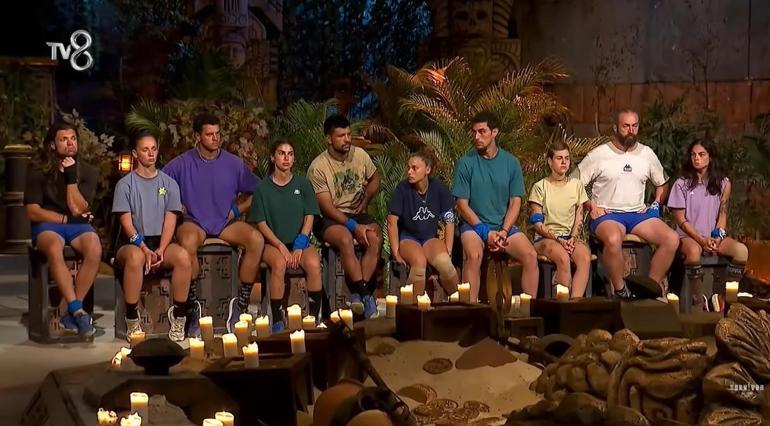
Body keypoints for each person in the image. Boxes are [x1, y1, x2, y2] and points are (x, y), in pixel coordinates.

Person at [163, 112, 264, 333]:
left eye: (218, 133)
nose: (215, 138)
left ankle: (240, 304)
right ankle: (193, 308)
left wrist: (237, 210)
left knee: (256, 239)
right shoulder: (181, 163)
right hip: (194, 222)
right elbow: (159, 187)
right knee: (188, 242)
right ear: (197, 136)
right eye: (210, 134)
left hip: (225, 223)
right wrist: (174, 203)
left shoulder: (234, 163)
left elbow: (260, 190)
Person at [572, 108, 679, 298]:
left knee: (671, 239)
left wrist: (656, 203)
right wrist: (590, 205)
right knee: (614, 239)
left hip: (637, 214)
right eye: (626, 126)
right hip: (607, 214)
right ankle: (622, 290)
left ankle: (649, 289)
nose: (631, 130)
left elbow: (662, 183)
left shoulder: (646, 154)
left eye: (634, 126)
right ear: (615, 128)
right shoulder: (599, 154)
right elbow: (573, 182)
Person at [112, 131, 191, 341]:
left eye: (154, 149)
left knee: (183, 257)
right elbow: (126, 225)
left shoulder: (169, 184)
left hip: (160, 241)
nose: (150, 154)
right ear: (135, 153)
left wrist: (161, 249)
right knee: (136, 258)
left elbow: (170, 220)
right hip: (132, 242)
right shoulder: (125, 185)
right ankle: (132, 318)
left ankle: (179, 316)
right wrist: (144, 248)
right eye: (145, 150)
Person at [24, 122, 101, 338]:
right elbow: (33, 212)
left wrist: (70, 178)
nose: (70, 143)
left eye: (73, 139)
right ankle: (77, 310)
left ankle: (72, 312)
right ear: (52, 145)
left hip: (76, 224)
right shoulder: (38, 170)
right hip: (48, 223)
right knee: (53, 246)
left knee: (94, 247)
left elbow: (80, 209)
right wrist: (65, 219)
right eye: (63, 139)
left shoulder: (88, 171)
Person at [453, 111, 539, 302]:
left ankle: (529, 308)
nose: (477, 137)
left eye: (482, 131)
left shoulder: (511, 163)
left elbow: (515, 202)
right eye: (474, 132)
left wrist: (504, 231)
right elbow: (462, 205)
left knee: (530, 255)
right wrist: (485, 232)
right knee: (474, 255)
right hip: (474, 226)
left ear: (494, 132)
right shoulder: (466, 163)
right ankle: (471, 308)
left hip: (502, 227)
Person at [308, 114, 381, 318]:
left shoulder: (360, 155)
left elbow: (375, 178)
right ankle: (366, 295)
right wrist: (353, 226)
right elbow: (326, 207)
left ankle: (357, 292)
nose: (347, 139)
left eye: (349, 134)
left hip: (357, 212)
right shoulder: (318, 167)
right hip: (329, 217)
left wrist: (365, 200)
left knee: (374, 238)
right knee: (345, 238)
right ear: (329, 139)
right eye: (341, 136)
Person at [249, 141, 322, 332]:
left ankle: (314, 317)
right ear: (273, 157)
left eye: (290, 153)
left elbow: (309, 215)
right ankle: (277, 320)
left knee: (314, 263)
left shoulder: (303, 184)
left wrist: (300, 243)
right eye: (281, 153)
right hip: (272, 243)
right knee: (279, 264)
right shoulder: (262, 188)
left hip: (298, 241)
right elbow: (261, 223)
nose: (286, 157)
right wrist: (280, 246)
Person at [668, 139, 749, 310]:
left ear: (710, 157)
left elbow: (722, 214)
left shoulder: (723, 183)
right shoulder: (681, 184)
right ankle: (698, 301)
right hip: (688, 236)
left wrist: (717, 237)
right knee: (693, 251)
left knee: (741, 251)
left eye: (701, 154)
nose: (696, 158)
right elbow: (681, 220)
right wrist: (700, 239)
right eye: (693, 155)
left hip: (712, 236)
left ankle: (727, 299)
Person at [387, 150, 458, 298]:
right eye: (408, 168)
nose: (409, 172)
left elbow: (449, 221)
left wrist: (449, 250)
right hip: (409, 238)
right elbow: (392, 221)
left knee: (446, 265)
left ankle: (458, 301)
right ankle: (415, 307)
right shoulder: (402, 189)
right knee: (419, 263)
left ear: (427, 169)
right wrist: (396, 252)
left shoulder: (439, 188)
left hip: (430, 238)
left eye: (414, 168)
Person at [528, 141, 592, 298]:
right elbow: (537, 224)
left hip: (568, 237)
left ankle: (575, 302)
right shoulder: (540, 187)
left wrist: (572, 238)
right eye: (559, 158)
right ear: (550, 162)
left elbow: (579, 216)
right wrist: (559, 239)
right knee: (563, 257)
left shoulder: (576, 185)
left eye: (567, 158)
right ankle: (562, 304)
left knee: (584, 257)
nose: (564, 162)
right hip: (546, 238)